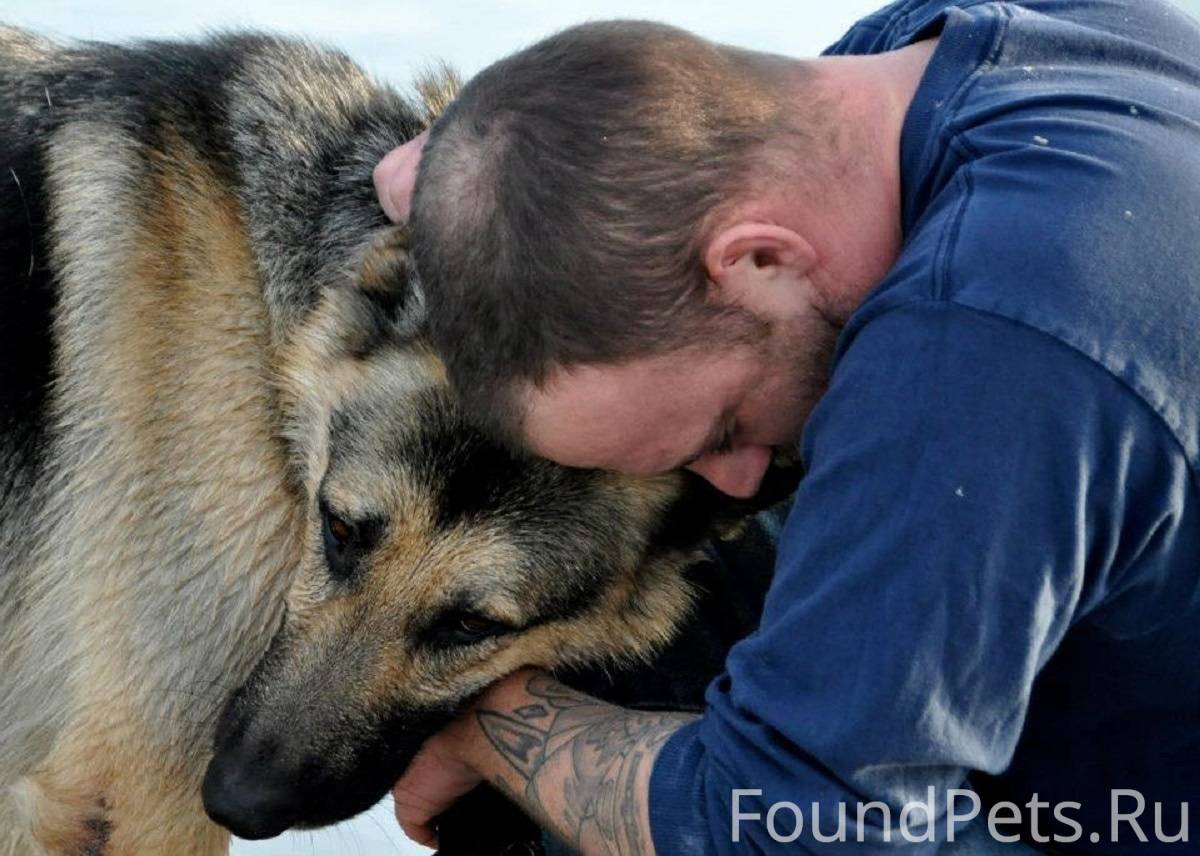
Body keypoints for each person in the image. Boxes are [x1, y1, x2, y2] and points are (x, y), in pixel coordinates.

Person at [374, 1, 1200, 852]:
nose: (733, 479)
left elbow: (793, 825)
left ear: (759, 260)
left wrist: (491, 728)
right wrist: (481, 181)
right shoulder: (957, 57)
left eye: (721, 428)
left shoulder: (983, 347)